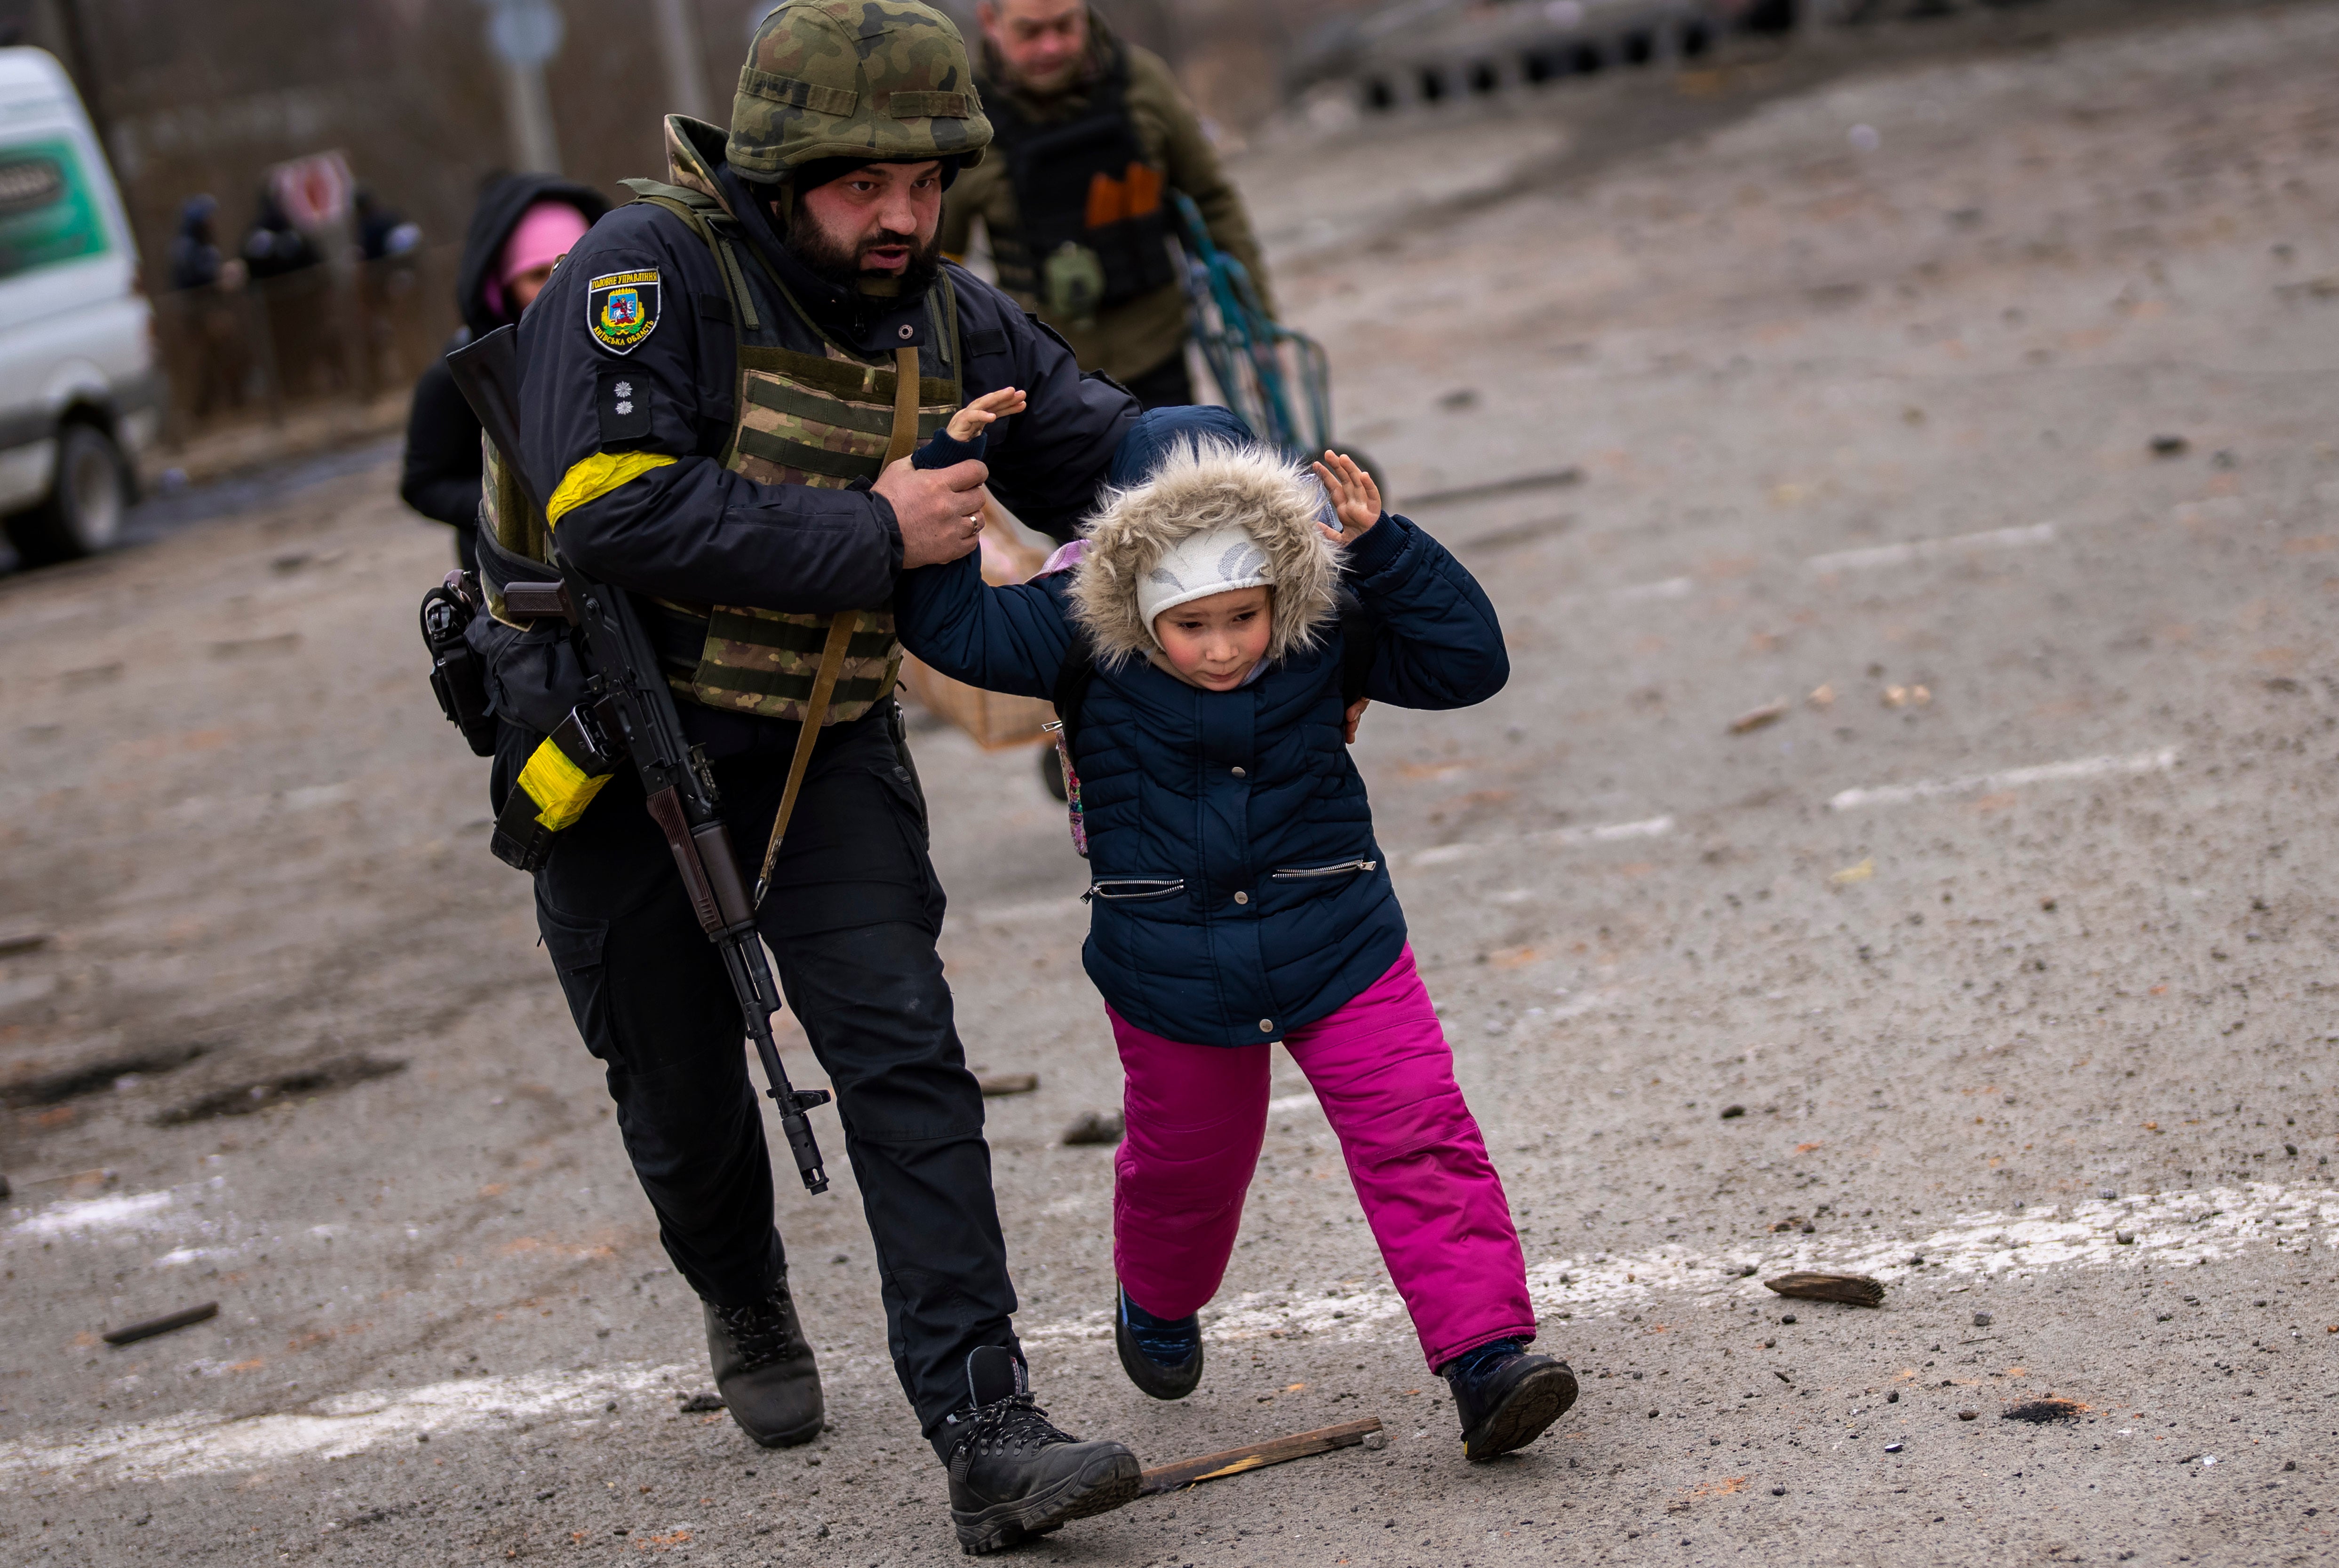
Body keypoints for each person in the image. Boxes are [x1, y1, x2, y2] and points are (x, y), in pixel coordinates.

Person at [502, 1, 1142, 1552]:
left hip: (823, 733)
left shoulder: (947, 314)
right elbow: (606, 509)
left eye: (925, 184)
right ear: (785, 172)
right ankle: (742, 1293)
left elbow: (1112, 457)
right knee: (679, 1095)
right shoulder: (638, 278)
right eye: (867, 187)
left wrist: (1284, 520)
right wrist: (874, 534)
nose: (904, 217)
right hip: (614, 749)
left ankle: (988, 1425)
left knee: (903, 1053)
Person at [893, 408, 1582, 1464]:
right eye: (1190, 624)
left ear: (1278, 580)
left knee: (1417, 1131)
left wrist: (1386, 549)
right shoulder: (1072, 628)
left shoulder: (1324, 616)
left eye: (1242, 616)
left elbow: (1467, 664)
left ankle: (1487, 1358)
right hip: (1171, 965)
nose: (1221, 648)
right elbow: (950, 630)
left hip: (1340, 935)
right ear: (1130, 584)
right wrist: (942, 477)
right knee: (1188, 1171)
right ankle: (1157, 1300)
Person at [939, 0, 1273, 409]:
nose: (1051, 47)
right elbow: (939, 261)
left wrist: (1262, 332)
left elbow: (1212, 202)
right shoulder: (966, 116)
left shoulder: (1142, 82)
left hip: (1157, 349)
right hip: (1045, 372)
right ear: (990, 21)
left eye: (1065, 26)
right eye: (1030, 32)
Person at [400, 174, 605, 570]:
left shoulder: (624, 342)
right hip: (514, 579)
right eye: (537, 273)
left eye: (572, 265)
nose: (558, 284)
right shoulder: (462, 374)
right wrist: (509, 510)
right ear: (501, 286)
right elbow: (423, 484)